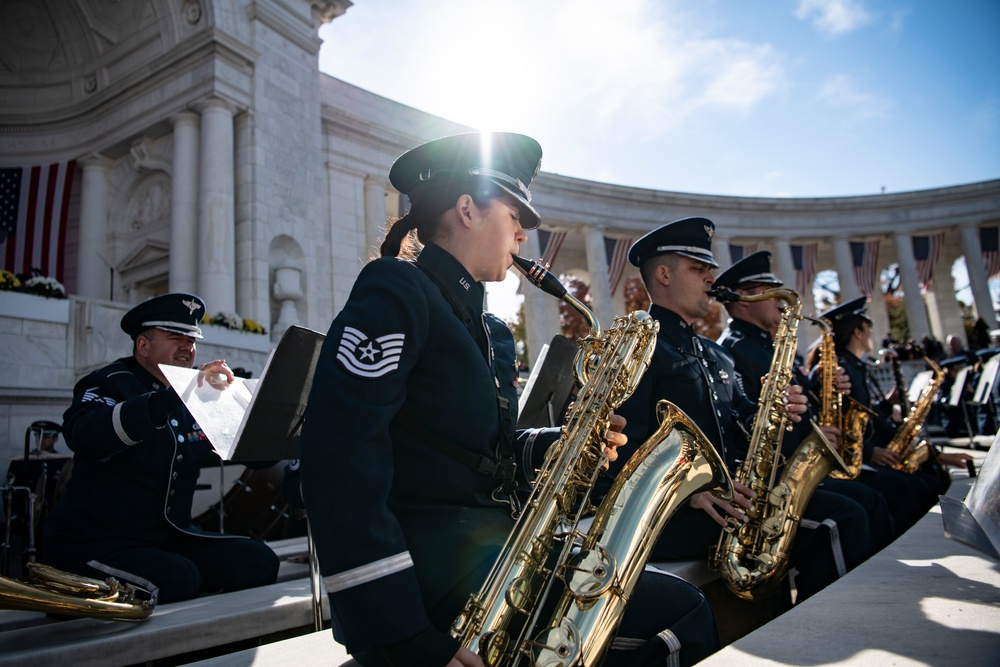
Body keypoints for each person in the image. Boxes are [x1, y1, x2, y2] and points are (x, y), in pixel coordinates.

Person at [300, 133, 719, 667]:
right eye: (516, 214)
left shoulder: (491, 328)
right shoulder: (396, 289)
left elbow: (482, 450)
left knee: (683, 610)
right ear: (468, 209)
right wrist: (402, 635)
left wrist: (563, 445)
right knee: (681, 618)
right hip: (431, 576)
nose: (524, 233)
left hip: (493, 556)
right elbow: (339, 459)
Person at [610, 220, 873, 604]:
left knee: (848, 510)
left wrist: (775, 411)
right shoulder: (638, 350)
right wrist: (687, 492)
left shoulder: (714, 352)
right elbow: (618, 445)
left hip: (732, 499)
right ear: (664, 275)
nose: (710, 279)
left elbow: (743, 419)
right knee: (839, 521)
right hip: (676, 513)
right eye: (698, 270)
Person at [42, 293, 280, 604]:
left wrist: (259, 410)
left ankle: (220, 649)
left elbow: (256, 457)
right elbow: (84, 435)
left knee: (258, 560)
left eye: (191, 340)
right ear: (143, 345)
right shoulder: (107, 382)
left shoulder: (194, 394)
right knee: (178, 578)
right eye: (175, 337)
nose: (188, 347)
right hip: (93, 544)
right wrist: (175, 395)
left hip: (169, 539)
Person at [714, 251, 893, 552]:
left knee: (872, 499)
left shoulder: (768, 343)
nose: (780, 303)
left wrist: (818, 385)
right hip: (775, 482)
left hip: (797, 473)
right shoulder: (733, 349)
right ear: (744, 298)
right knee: (857, 510)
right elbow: (746, 423)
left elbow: (795, 405)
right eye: (770, 293)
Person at [813, 298, 972, 524]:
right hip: (853, 458)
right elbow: (837, 420)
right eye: (868, 328)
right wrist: (870, 451)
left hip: (863, 451)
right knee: (910, 487)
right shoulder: (844, 370)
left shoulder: (856, 366)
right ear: (857, 332)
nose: (871, 334)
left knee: (927, 482)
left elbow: (866, 417)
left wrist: (887, 406)